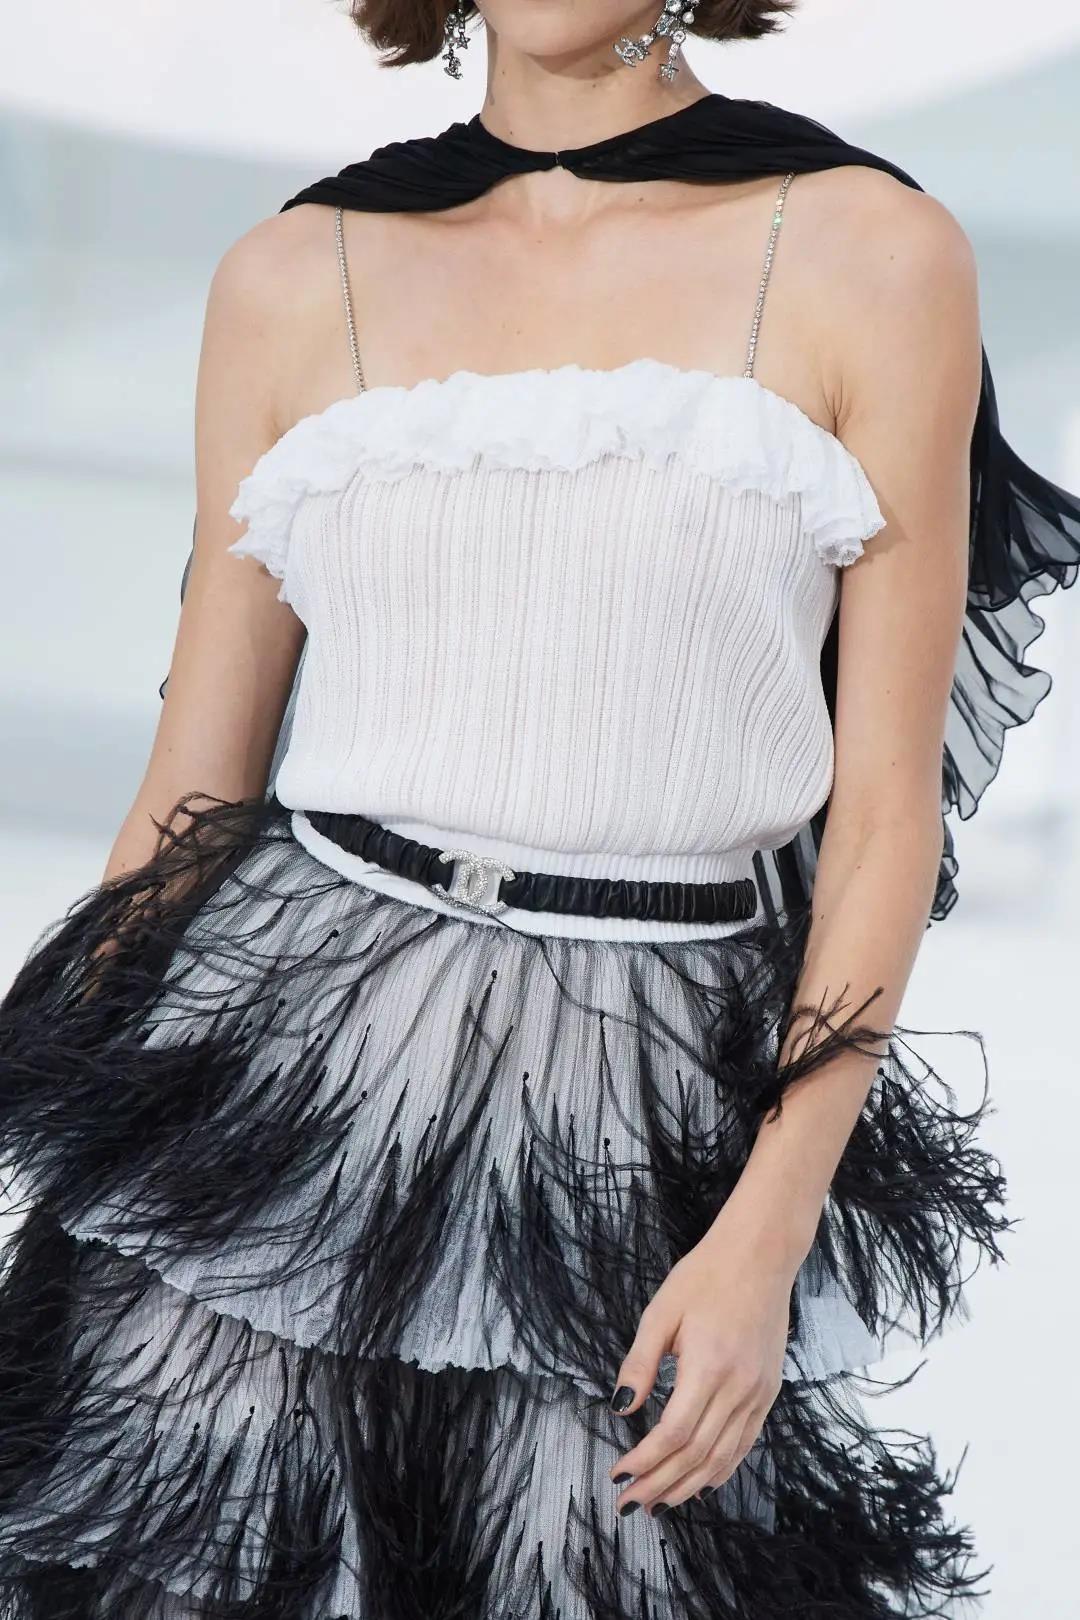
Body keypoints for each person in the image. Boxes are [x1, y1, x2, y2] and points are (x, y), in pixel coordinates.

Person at [2, 1, 1075, 1614]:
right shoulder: (297, 272)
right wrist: (75, 1137)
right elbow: (193, 792)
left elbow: (884, 821)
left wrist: (767, 1235)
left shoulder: (869, 250)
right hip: (278, 1081)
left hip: (649, 1112)